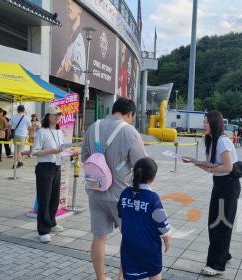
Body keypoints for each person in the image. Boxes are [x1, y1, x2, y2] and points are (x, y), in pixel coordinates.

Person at [81, 97, 147, 280]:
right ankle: (121, 277)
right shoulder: (130, 132)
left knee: (99, 237)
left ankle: (101, 278)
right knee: (130, 237)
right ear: (129, 114)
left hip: (95, 189)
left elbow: (84, 157)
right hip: (121, 194)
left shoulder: (93, 127)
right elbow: (141, 165)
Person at [184, 110, 240, 276]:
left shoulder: (222, 141)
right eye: (204, 122)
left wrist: (205, 165)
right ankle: (224, 254)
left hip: (228, 186)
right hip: (220, 184)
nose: (204, 125)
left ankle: (216, 265)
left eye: (206, 122)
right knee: (214, 223)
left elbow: (228, 167)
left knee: (221, 225)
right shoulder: (211, 141)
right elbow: (211, 168)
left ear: (215, 123)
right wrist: (194, 162)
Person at [118, 157, 171, 280]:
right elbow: (161, 222)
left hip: (129, 243)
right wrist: (167, 238)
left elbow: (121, 213)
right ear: (152, 178)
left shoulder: (125, 193)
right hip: (149, 245)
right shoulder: (152, 197)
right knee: (154, 273)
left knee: (130, 273)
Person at [32, 105, 66, 243]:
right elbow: (35, 151)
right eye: (55, 115)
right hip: (44, 168)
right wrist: (52, 151)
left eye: (59, 115)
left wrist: (70, 153)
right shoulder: (41, 132)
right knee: (44, 199)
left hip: (57, 167)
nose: (58, 117)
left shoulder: (59, 132)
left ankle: (51, 222)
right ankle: (43, 230)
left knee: (54, 198)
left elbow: (61, 150)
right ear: (48, 116)